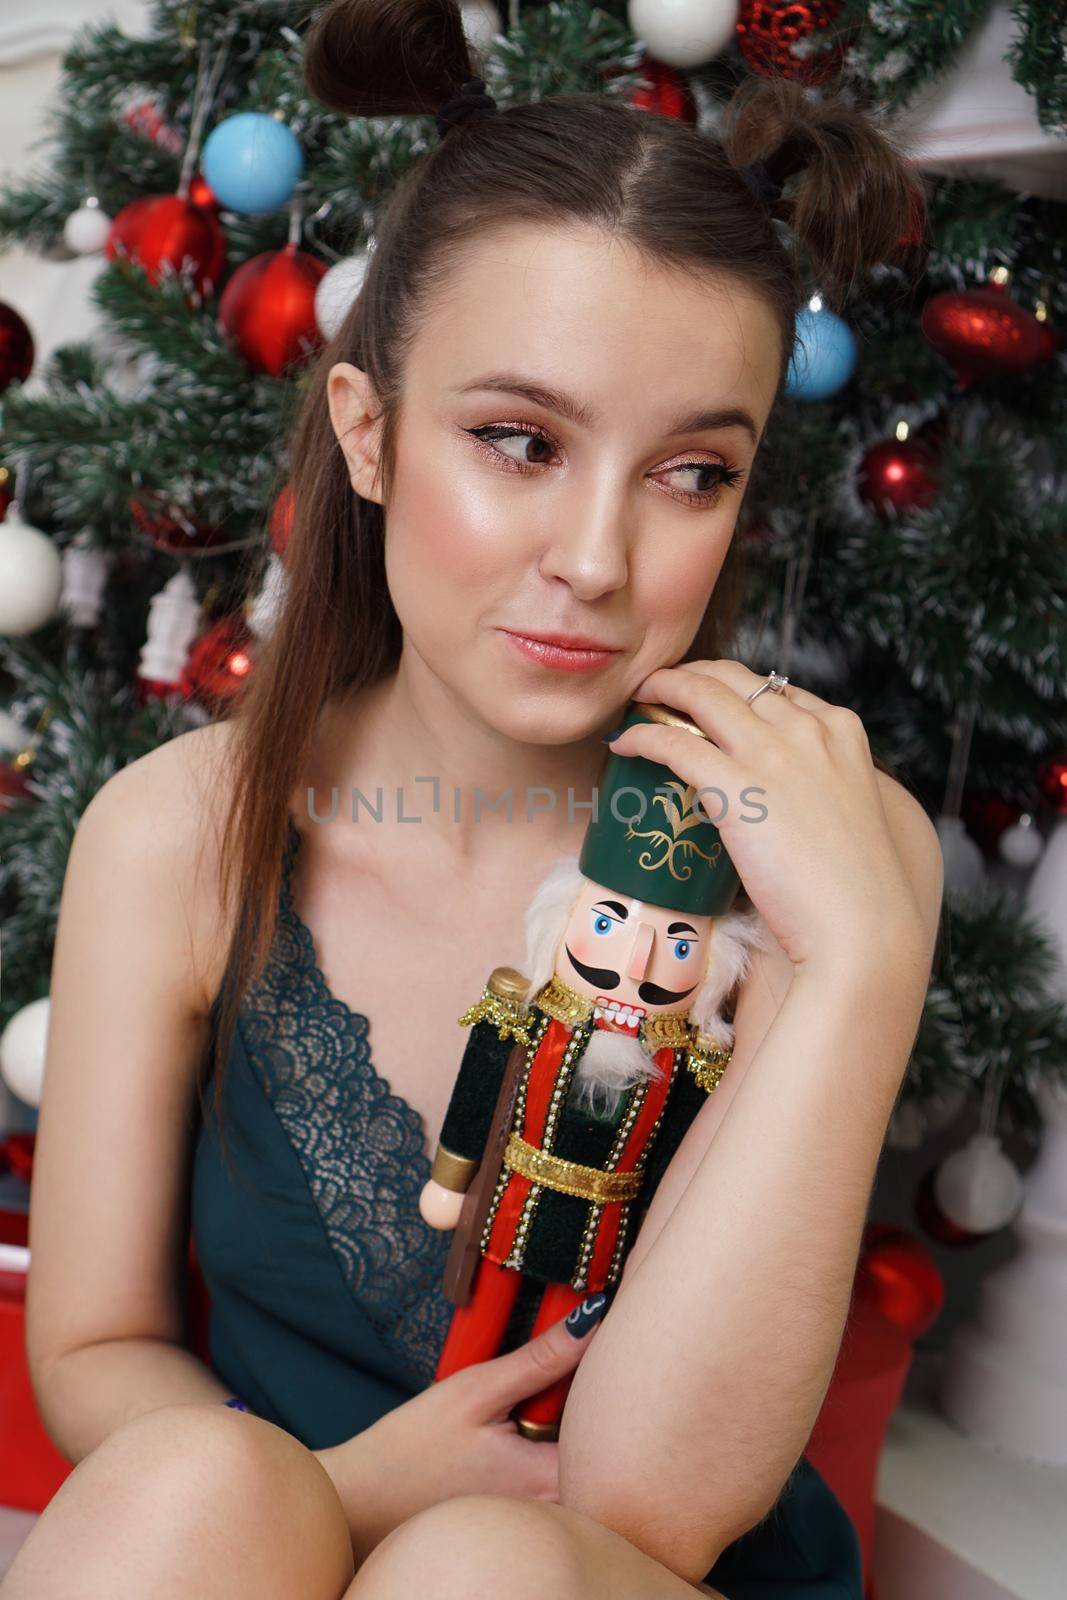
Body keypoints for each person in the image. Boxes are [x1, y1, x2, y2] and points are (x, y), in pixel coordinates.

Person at [6, 1, 943, 1596]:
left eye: (691, 473)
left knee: (484, 1575)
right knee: (188, 1486)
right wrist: (341, 1495)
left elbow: (654, 1509)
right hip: (271, 1541)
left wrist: (853, 962)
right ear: (366, 438)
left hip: (618, 1569)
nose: (595, 558)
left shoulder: (827, 850)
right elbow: (93, 1343)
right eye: (519, 441)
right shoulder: (175, 833)